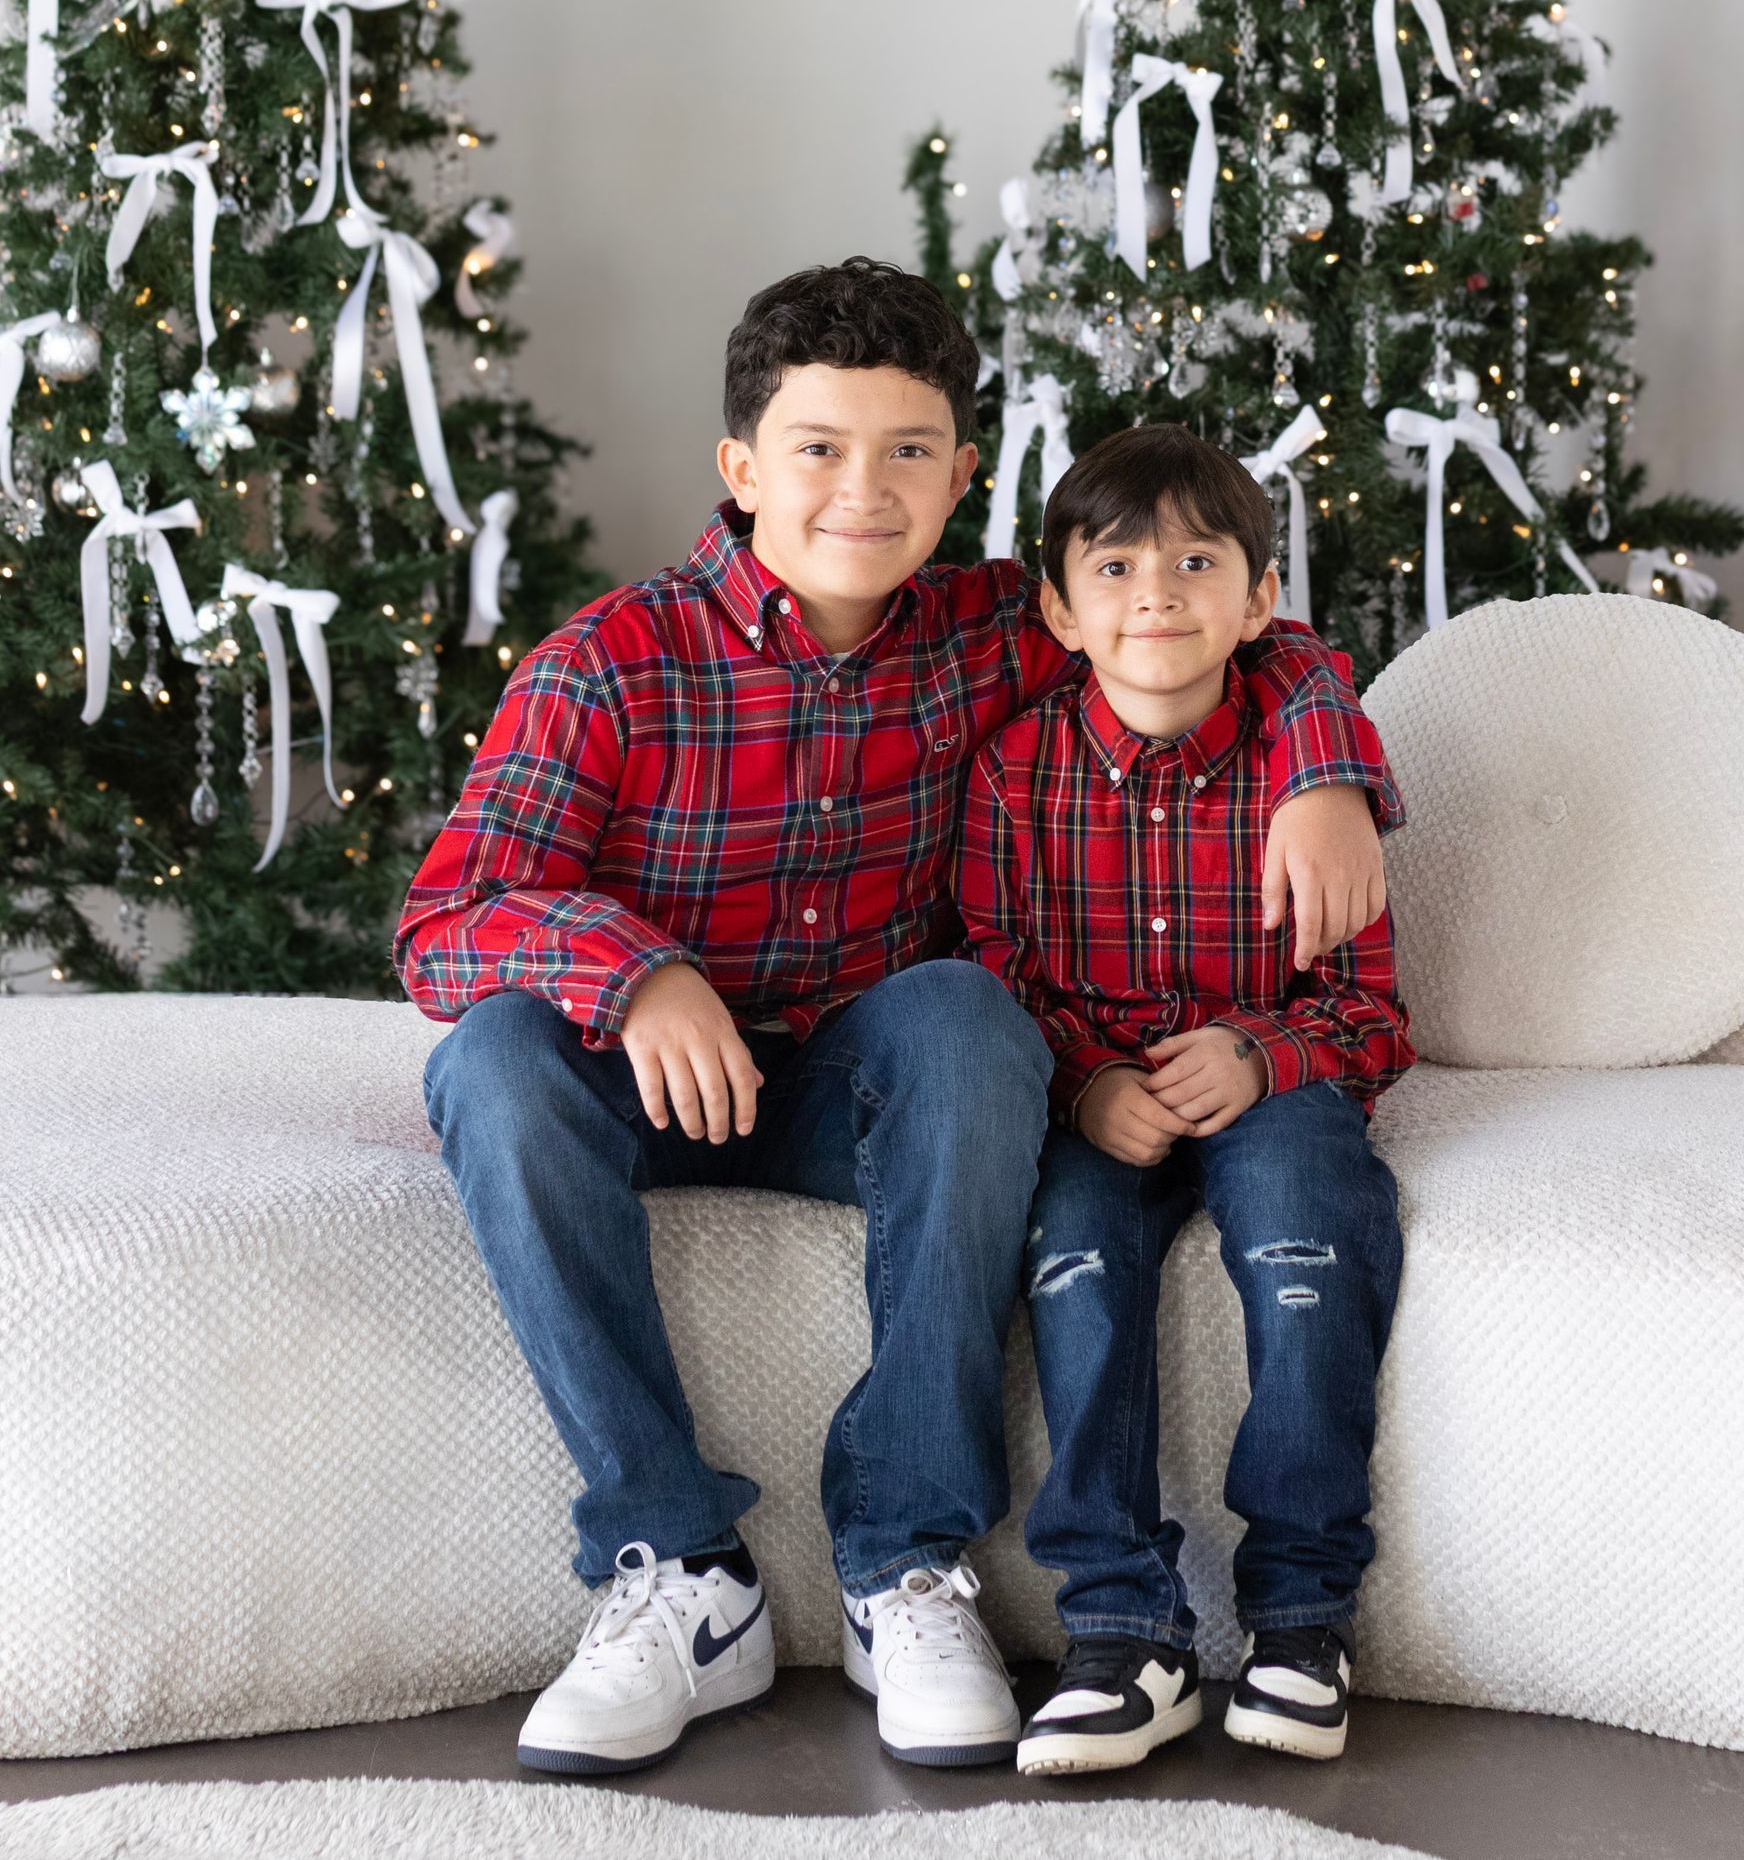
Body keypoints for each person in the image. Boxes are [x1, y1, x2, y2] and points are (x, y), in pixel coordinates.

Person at [399, 261, 1395, 1777]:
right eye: (818, 448)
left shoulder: (996, 626)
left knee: (961, 1015)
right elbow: (446, 919)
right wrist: (636, 970)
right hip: (642, 1082)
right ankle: (677, 1568)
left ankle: (904, 1559)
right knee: (491, 1056)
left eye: (907, 451)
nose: (862, 491)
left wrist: (1326, 771)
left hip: (852, 1089)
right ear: (742, 468)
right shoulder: (610, 662)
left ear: (961, 475)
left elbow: (1211, 621)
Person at [957, 423, 1412, 1778]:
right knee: (1076, 1259)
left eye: (1196, 562)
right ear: (1059, 610)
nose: (1155, 592)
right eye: (1114, 567)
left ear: (1260, 601)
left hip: (1270, 1085)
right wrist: (1084, 1082)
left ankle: (1301, 1618)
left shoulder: (1307, 775)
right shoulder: (1013, 773)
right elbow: (988, 972)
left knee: (1307, 1235)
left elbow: (1372, 1013)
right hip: (1094, 1097)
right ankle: (1121, 1631)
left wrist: (1261, 1056)